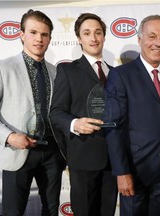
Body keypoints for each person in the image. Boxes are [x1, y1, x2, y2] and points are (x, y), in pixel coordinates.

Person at [0, 9, 66, 216]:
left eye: (44, 34)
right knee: (13, 211)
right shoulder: (2, 67)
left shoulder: (56, 72)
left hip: (52, 154)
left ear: (50, 38)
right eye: (33, 32)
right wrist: (9, 136)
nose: (39, 39)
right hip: (17, 152)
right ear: (21, 35)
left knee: (52, 210)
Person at [104, 15, 160, 216]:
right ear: (140, 40)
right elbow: (113, 127)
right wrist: (121, 171)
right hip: (133, 171)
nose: (158, 43)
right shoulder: (121, 75)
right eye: (152, 36)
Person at [49, 13, 117, 216]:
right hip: (83, 156)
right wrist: (75, 123)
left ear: (104, 36)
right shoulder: (68, 71)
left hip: (113, 158)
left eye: (98, 32)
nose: (93, 38)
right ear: (79, 38)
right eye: (87, 33)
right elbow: (56, 113)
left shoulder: (116, 73)